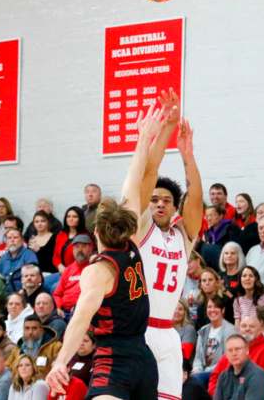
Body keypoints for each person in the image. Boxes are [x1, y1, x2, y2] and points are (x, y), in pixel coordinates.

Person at [46, 104, 161, 400]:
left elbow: (81, 317)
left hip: (116, 361)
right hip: (145, 360)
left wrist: (60, 361)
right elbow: (135, 183)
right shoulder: (131, 241)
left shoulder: (99, 270)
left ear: (95, 232)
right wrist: (146, 138)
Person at [130, 95, 205, 400]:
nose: (159, 203)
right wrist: (164, 131)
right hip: (140, 330)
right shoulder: (142, 227)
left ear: (175, 207)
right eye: (155, 199)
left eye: (166, 200)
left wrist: (188, 157)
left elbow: (197, 199)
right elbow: (145, 177)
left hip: (169, 334)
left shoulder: (182, 235)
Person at [207, 315, 264, 394]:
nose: (247, 329)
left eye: (252, 326)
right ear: (239, 329)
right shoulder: (231, 350)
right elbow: (215, 377)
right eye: (244, 326)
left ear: (260, 330)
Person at [192, 297, 236, 388]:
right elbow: (198, 357)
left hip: (221, 372)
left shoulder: (231, 331)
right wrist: (197, 369)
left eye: (216, 307)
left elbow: (227, 358)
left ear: (223, 310)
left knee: (195, 382)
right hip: (202, 372)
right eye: (209, 307)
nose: (212, 310)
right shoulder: (203, 330)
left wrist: (204, 372)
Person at [212, 334, 264, 400]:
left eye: (238, 349)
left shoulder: (258, 376)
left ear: (247, 350)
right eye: (230, 350)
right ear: (226, 354)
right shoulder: (224, 376)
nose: (234, 354)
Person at [51, 235, 93, 316]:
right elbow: (57, 294)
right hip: (64, 312)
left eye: (84, 246)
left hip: (83, 312)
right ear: (73, 250)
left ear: (90, 249)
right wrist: (58, 308)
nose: (80, 250)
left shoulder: (94, 267)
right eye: (77, 247)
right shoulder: (68, 270)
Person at [0, 229, 38, 294]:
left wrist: (23, 291)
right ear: (6, 241)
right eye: (9, 238)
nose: (12, 240)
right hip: (4, 293)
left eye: (15, 237)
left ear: (22, 241)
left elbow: (33, 277)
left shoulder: (29, 255)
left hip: (22, 292)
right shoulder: (4, 258)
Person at [51, 207, 88, 276]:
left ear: (80, 219)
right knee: (43, 282)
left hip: (76, 273)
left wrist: (67, 271)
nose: (71, 219)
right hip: (61, 271)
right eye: (68, 216)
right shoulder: (61, 234)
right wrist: (59, 266)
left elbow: (83, 261)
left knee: (53, 287)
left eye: (75, 217)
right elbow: (55, 256)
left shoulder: (85, 237)